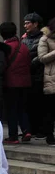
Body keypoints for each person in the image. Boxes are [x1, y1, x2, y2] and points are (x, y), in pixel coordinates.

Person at [1, 22, 31, 144]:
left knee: (11, 109)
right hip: (25, 83)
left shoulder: (5, 48)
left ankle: (13, 136)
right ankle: (26, 130)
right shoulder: (23, 46)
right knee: (22, 108)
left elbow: (3, 65)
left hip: (10, 83)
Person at [23, 12, 47, 138]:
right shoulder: (24, 38)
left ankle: (41, 130)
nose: (25, 25)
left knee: (40, 104)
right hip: (27, 75)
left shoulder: (44, 38)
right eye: (25, 23)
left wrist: (32, 62)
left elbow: (42, 55)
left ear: (36, 24)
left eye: (28, 23)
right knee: (29, 103)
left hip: (39, 75)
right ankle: (31, 129)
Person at [38, 17, 55, 145]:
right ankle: (50, 136)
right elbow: (42, 57)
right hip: (51, 78)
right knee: (50, 110)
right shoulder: (45, 39)